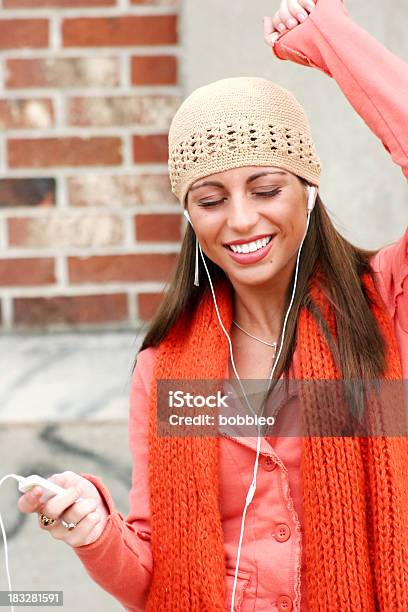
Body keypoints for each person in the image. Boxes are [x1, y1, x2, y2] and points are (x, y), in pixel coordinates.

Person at [17, 0, 408, 610]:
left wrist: (332, 41)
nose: (241, 219)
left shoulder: (385, 301)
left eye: (266, 188)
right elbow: (155, 573)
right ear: (190, 214)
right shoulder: (166, 365)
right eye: (211, 198)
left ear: (308, 190)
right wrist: (96, 531)